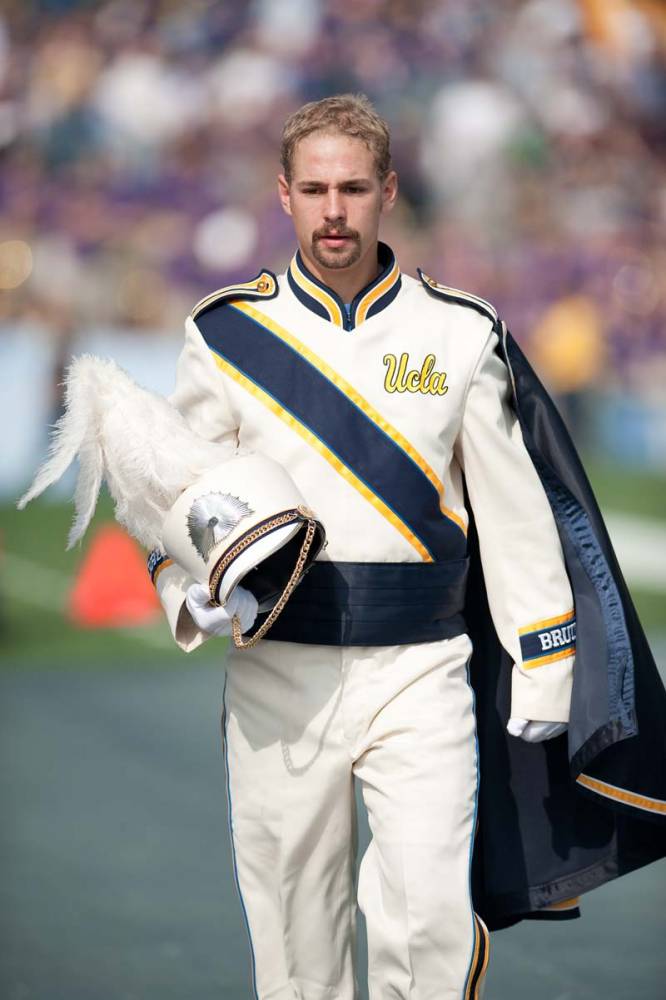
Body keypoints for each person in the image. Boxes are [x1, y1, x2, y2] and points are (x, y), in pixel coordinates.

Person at [148, 95, 666, 1000]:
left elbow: (513, 519)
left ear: (389, 191)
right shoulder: (222, 335)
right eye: (314, 189)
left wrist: (545, 668)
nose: (334, 210)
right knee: (296, 937)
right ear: (283, 195)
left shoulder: (460, 332)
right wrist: (186, 582)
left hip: (423, 671)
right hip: (279, 671)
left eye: (353, 187)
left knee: (426, 920)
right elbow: (179, 496)